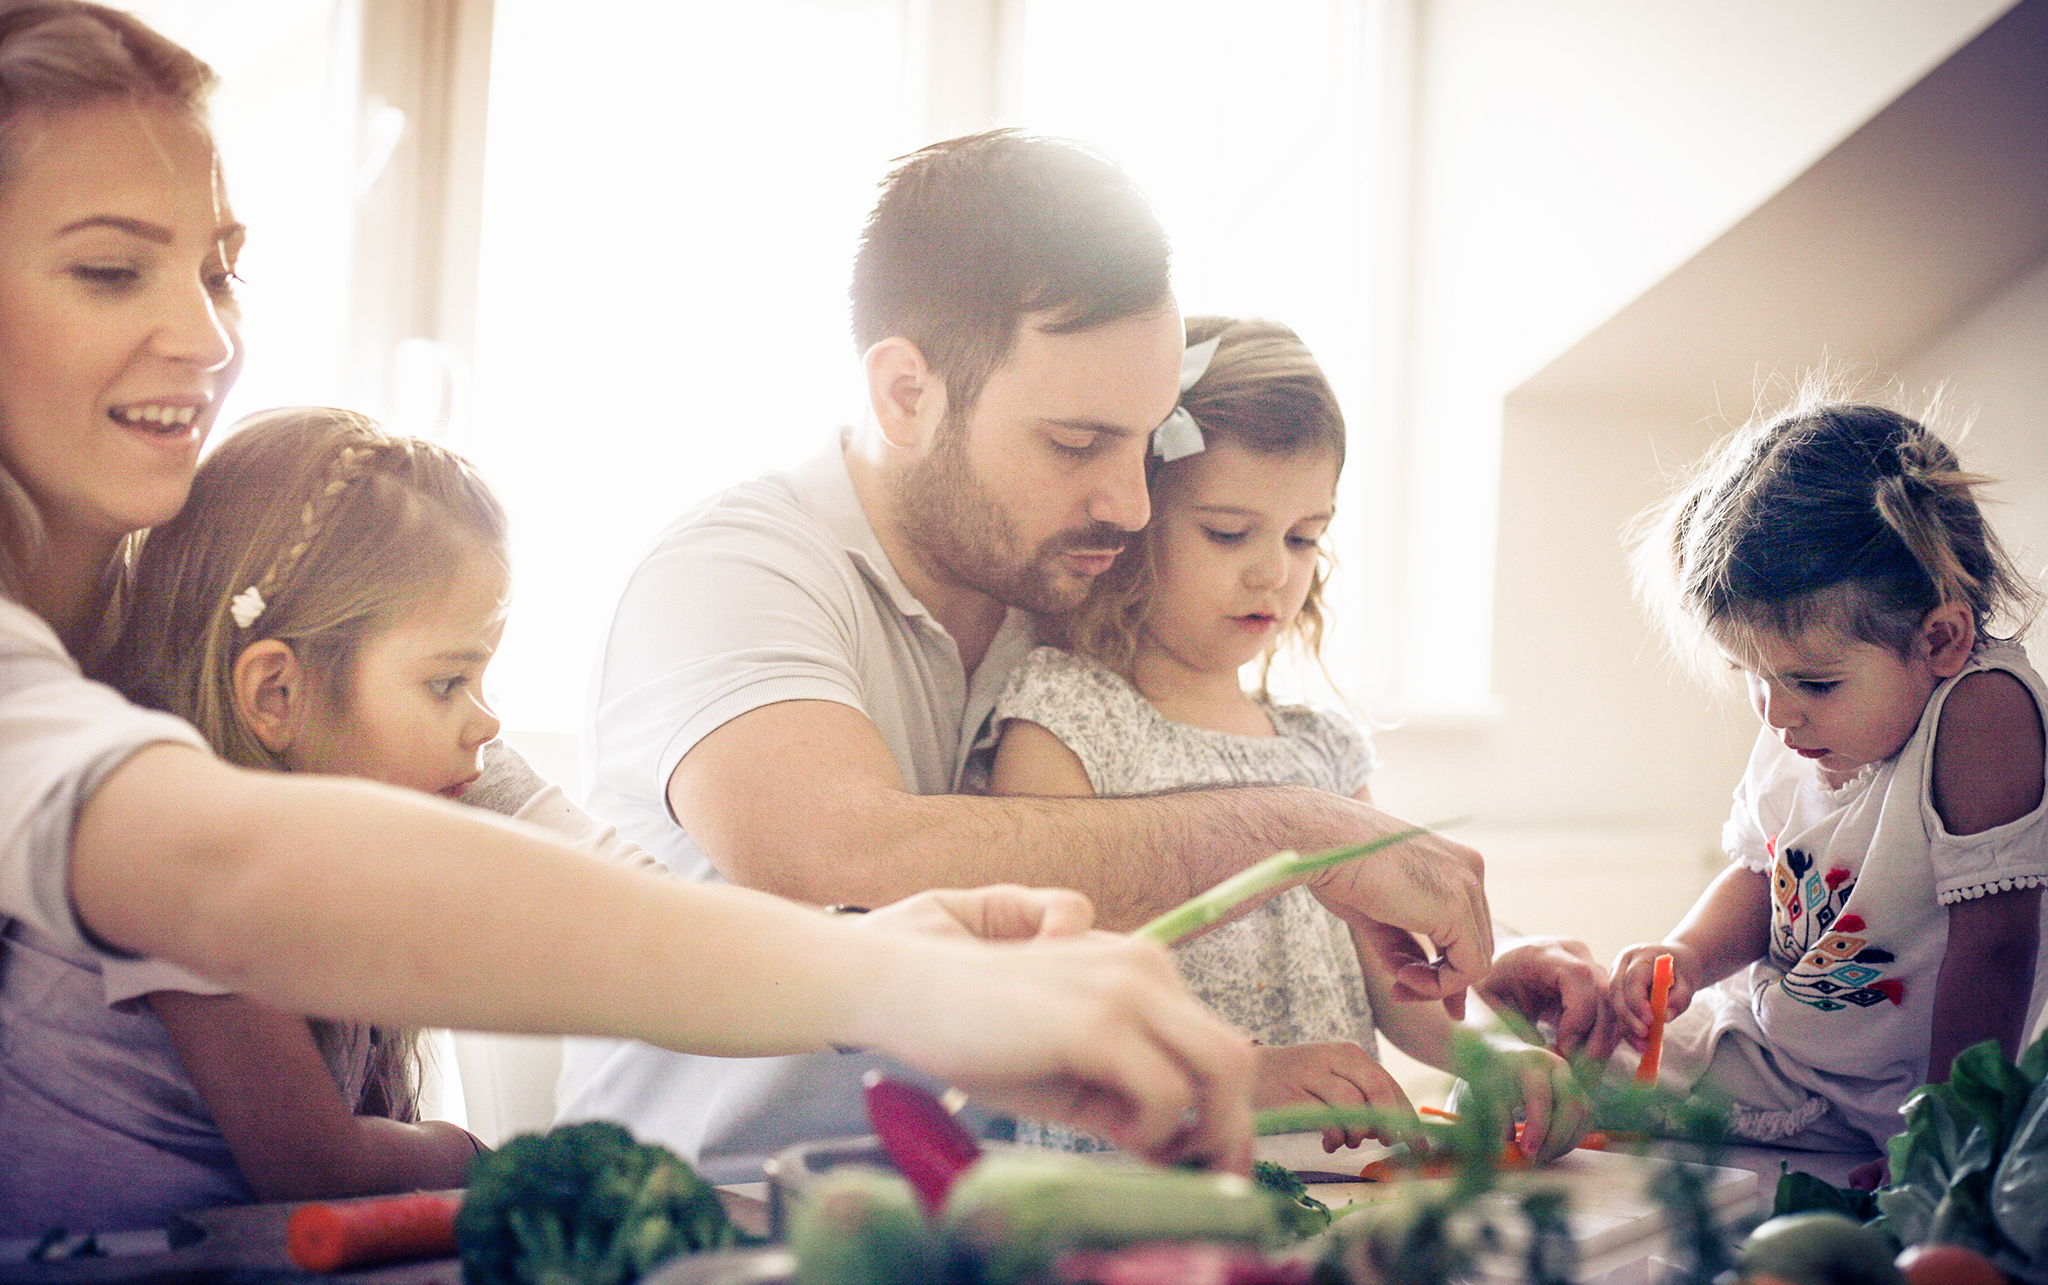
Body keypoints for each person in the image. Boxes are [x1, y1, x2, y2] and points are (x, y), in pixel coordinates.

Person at [0, 0, 1256, 1232]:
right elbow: (228, 870)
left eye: (222, 268)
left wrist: (872, 961)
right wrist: (889, 978)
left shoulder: (159, 617)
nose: (207, 336)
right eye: (110, 269)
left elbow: (578, 872)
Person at [567, 131, 1492, 1181]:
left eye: (1146, 444)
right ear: (905, 394)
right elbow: (841, 861)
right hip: (719, 1211)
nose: (1131, 503)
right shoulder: (730, 575)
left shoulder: (1060, 583)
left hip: (1010, 1207)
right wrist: (1302, 831)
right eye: (1074, 443)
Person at [986, 316, 1584, 1159]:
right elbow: (1047, 985)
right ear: (1134, 519)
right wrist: (1236, 1072)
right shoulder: (1063, 716)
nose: (1276, 570)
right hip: (1136, 1187)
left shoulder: (1324, 749)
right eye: (1229, 532)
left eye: (1305, 535)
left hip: (1331, 1186)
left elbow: (1397, 979)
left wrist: (1488, 1054)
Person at [1606, 398, 2045, 1152]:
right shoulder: (1800, 723)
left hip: (1919, 1091)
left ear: (1939, 638)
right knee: (1553, 1043)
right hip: (1783, 1061)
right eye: (1750, 673)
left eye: (1813, 682)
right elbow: (1759, 875)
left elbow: (1997, 950)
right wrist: (1686, 955)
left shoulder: (1982, 713)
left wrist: (1948, 1137)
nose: (1777, 713)